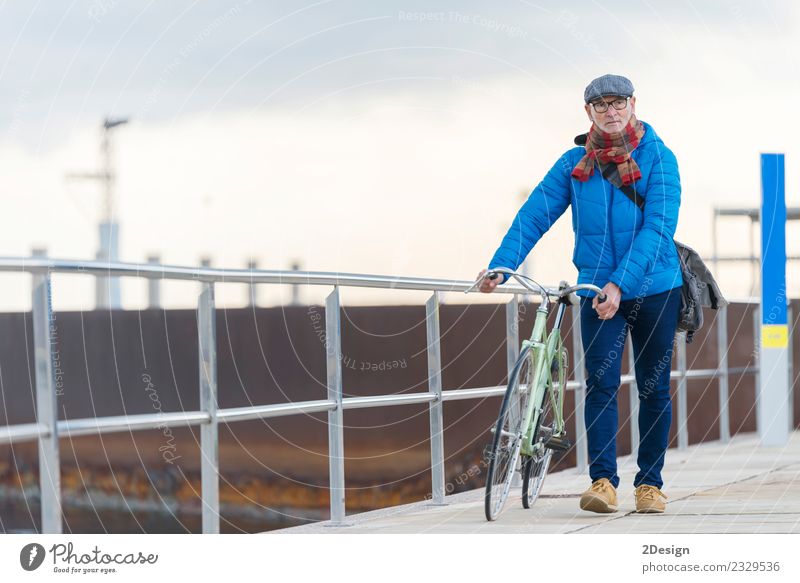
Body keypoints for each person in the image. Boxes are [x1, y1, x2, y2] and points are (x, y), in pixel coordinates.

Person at [477, 74, 681, 514]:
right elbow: (535, 213)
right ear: (588, 111)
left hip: (655, 289)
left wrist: (620, 283)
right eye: (601, 104)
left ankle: (650, 485)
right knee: (601, 385)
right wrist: (502, 265)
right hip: (594, 289)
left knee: (653, 388)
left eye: (619, 102)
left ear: (633, 104)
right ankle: (603, 482)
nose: (611, 111)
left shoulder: (660, 158)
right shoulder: (575, 162)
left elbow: (659, 228)